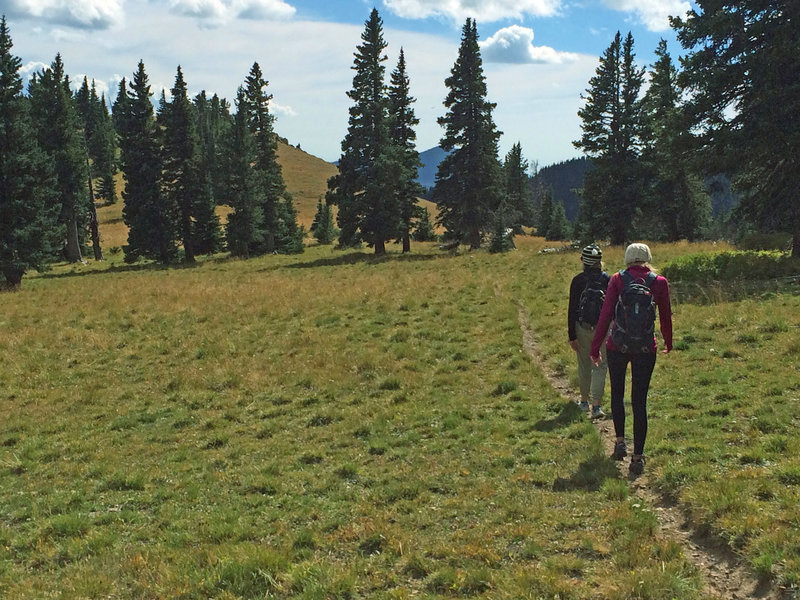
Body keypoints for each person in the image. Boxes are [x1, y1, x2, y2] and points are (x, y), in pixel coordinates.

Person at [590, 243, 672, 476]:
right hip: (646, 347)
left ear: (627, 259)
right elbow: (665, 315)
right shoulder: (659, 282)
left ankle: (619, 443)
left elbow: (606, 314)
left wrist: (595, 347)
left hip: (617, 345)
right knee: (639, 401)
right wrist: (668, 340)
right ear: (647, 258)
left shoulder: (617, 279)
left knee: (617, 393)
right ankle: (638, 458)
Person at [567, 244, 610, 419]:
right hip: (603, 328)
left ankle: (584, 402)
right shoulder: (607, 279)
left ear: (584, 261)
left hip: (582, 327)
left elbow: (572, 309)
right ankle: (597, 406)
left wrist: (572, 335)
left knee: (584, 364)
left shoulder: (577, 281)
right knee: (600, 366)